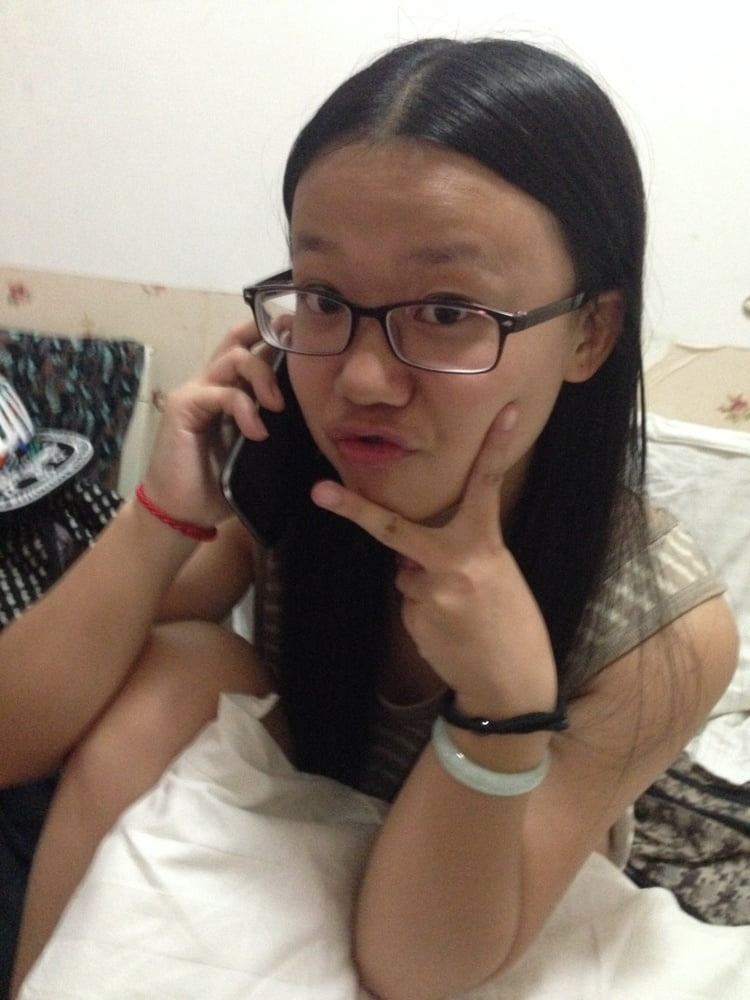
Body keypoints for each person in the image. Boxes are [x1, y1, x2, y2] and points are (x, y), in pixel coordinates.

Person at [1, 36, 738, 1000]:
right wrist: (161, 514)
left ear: (589, 334)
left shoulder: (659, 627)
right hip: (296, 824)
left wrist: (505, 706)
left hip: (475, 891)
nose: (359, 379)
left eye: (448, 310)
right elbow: (17, 734)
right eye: (323, 298)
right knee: (185, 663)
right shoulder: (293, 473)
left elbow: (415, 965)